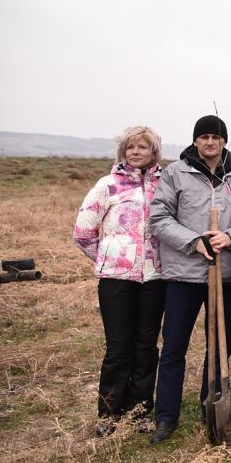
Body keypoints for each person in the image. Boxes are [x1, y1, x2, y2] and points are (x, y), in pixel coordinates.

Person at [148, 115, 231, 444]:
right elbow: (159, 217)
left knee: (221, 346)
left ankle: (211, 404)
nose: (210, 142)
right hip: (184, 274)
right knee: (174, 347)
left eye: (216, 137)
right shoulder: (175, 173)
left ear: (224, 141)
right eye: (204, 136)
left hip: (225, 275)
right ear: (195, 141)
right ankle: (166, 417)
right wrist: (193, 241)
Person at [73, 125, 167, 437]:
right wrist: (109, 258)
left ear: (154, 152)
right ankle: (109, 414)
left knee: (146, 346)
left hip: (154, 279)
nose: (136, 152)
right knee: (118, 347)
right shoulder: (107, 185)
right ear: (123, 152)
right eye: (131, 147)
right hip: (116, 280)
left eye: (143, 147)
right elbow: (83, 231)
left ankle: (139, 411)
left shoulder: (164, 185)